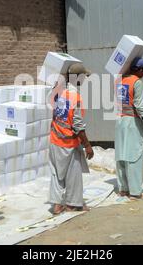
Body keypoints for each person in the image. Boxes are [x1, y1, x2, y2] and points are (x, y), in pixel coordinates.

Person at [48, 63, 94, 215]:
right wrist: (87, 145)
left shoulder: (57, 92)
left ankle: (56, 205)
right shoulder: (75, 97)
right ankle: (73, 204)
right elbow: (78, 125)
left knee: (56, 173)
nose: (85, 79)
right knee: (73, 174)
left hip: (55, 139)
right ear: (79, 78)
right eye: (84, 77)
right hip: (69, 142)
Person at [114, 58, 143, 199]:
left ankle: (123, 189)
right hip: (133, 122)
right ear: (139, 70)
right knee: (134, 157)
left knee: (121, 156)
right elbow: (139, 106)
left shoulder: (119, 81)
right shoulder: (137, 82)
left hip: (120, 121)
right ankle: (135, 192)